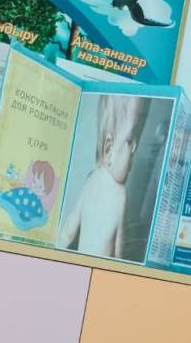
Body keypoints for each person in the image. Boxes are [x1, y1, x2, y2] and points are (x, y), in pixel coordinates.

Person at [59, 94, 149, 257]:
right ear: (109, 150)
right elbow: (119, 249)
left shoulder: (91, 180)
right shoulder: (120, 194)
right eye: (130, 140)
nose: (135, 147)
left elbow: (68, 232)